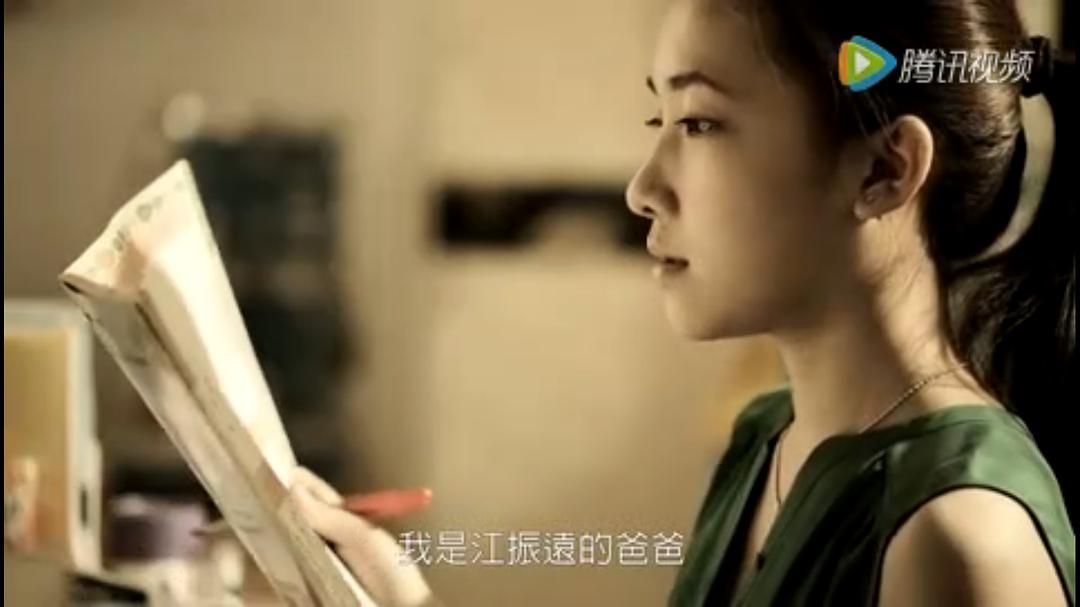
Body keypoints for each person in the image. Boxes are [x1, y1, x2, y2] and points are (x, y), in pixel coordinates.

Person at [292, 0, 1076, 604]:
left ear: (885, 169)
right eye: (657, 119)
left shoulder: (960, 537)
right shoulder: (765, 438)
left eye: (699, 121)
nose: (643, 188)